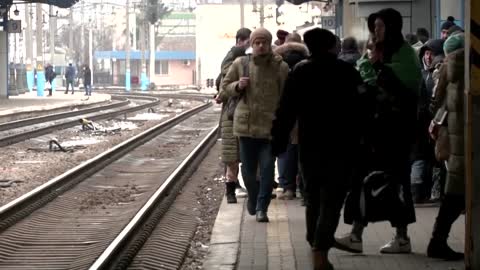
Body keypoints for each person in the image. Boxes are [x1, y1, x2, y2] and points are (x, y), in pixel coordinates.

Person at [272, 28, 365, 270]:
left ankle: (315, 243)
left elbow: (285, 110)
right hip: (341, 146)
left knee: (313, 199)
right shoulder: (346, 71)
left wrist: (278, 141)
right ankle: (320, 252)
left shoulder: (300, 72)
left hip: (310, 145)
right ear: (331, 46)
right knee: (332, 201)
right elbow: (361, 108)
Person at [337, 8, 422, 254]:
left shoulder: (405, 54)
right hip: (373, 131)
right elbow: (365, 80)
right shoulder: (375, 53)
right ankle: (357, 234)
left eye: (381, 26)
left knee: (395, 183)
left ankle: (400, 237)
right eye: (374, 26)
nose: (376, 30)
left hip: (396, 133)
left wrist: (379, 69)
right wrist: (373, 68)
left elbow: (406, 90)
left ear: (393, 27)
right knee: (366, 181)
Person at [221, 27, 289, 222]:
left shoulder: (280, 67)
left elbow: (287, 97)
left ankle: (262, 208)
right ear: (251, 44)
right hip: (246, 127)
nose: (260, 46)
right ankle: (253, 196)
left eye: (264, 42)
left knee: (267, 169)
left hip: (270, 128)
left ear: (269, 44)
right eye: (257, 43)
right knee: (249, 171)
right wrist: (237, 86)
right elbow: (224, 88)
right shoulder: (240, 64)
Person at [427, 33, 465, 261]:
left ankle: (437, 240)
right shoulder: (472, 68)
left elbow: (436, 103)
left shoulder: (445, 70)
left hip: (454, 140)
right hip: (471, 138)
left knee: (454, 196)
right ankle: (437, 242)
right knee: (458, 197)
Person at [215, 27, 252, 204]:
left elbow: (221, 92)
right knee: (235, 156)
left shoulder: (227, 66)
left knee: (235, 156)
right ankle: (234, 189)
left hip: (232, 114)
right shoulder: (235, 67)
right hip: (233, 114)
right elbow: (223, 91)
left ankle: (235, 189)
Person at [272, 32, 309, 200]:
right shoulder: (308, 60)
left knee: (285, 149)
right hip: (305, 110)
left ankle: (287, 187)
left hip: (284, 108)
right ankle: (303, 187)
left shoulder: (278, 61)